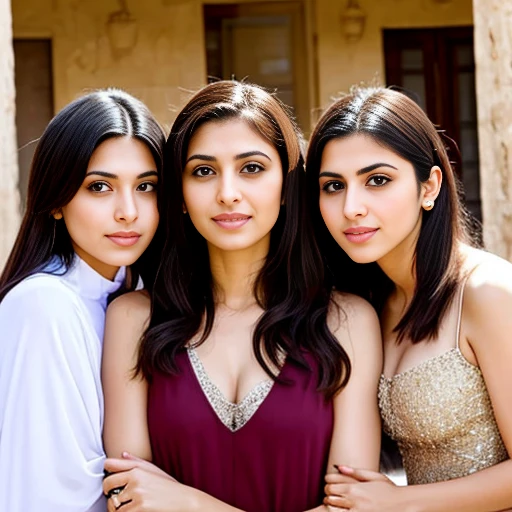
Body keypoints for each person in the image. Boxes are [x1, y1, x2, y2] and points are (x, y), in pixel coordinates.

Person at [101, 80, 382, 512]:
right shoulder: (132, 320)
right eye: (203, 171)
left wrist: (191, 504)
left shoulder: (346, 321)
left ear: (288, 185)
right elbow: (131, 499)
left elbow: (352, 508)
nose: (227, 192)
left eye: (251, 168)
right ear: (178, 194)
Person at [305, 86, 512, 511]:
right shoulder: (370, 303)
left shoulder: (486, 293)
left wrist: (401, 502)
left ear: (429, 186)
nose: (352, 207)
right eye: (333, 186)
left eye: (377, 180)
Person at [0, 89, 165, 512]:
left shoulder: (144, 293)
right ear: (56, 200)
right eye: (100, 187)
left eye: (145, 186)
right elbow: (43, 497)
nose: (128, 211)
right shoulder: (43, 306)